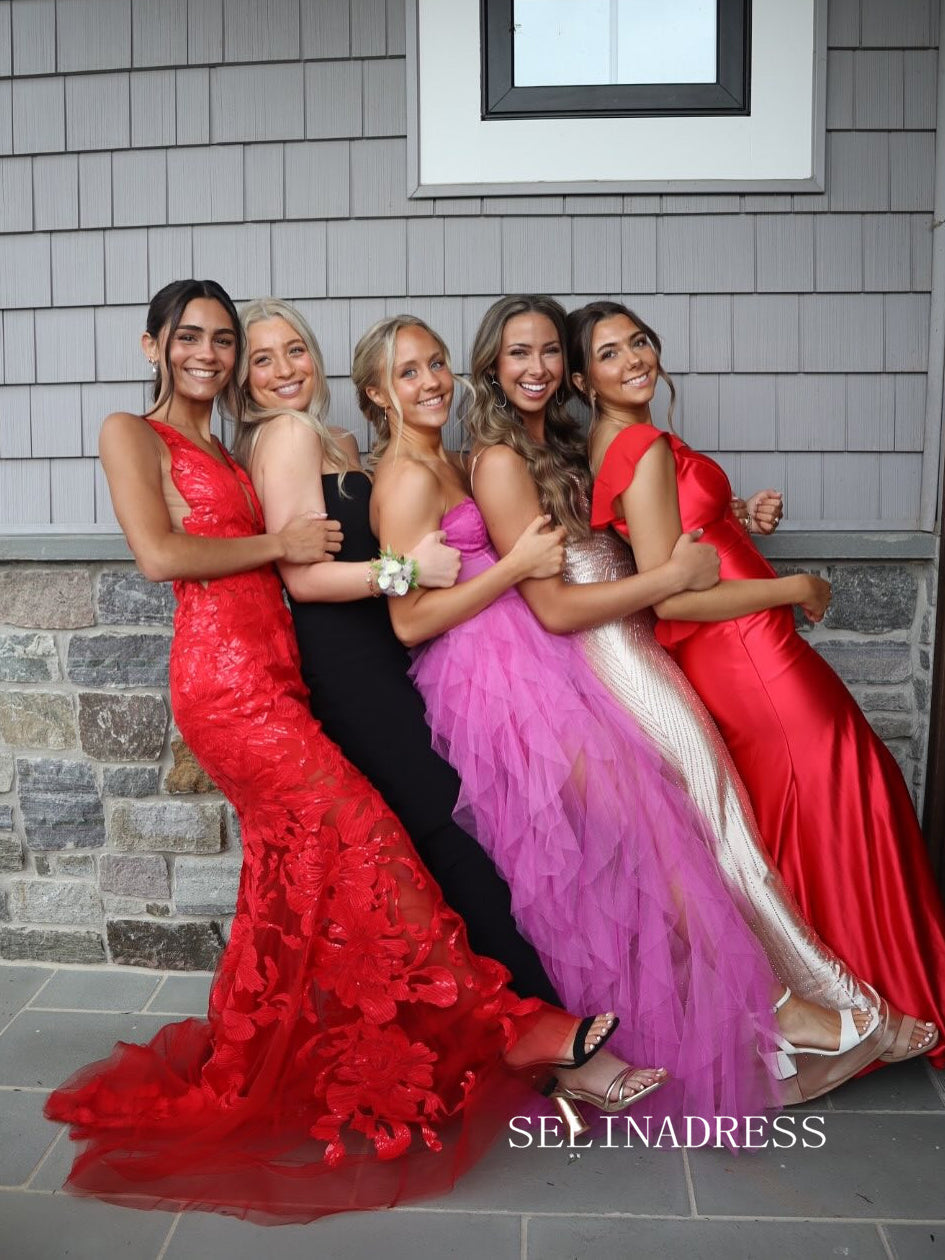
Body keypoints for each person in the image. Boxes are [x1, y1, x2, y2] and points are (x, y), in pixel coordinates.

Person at [43, 280, 655, 1227]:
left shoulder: (252, 442)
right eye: (220, 346)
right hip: (234, 685)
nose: (229, 358)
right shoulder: (147, 431)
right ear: (153, 344)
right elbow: (164, 557)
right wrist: (324, 552)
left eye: (258, 346)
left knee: (301, 879)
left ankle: (284, 1050)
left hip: (290, 673)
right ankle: (520, 1027)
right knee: (376, 838)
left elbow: (304, 556)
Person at [354, 313, 889, 1133]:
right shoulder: (413, 475)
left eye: (433, 365)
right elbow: (407, 623)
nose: (428, 383)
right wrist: (512, 569)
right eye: (407, 372)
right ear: (375, 392)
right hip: (495, 685)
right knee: (632, 849)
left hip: (539, 662)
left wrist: (729, 511)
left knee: (639, 847)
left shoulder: (453, 458)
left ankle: (751, 1018)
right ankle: (771, 1010)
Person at [465, 293, 935, 1083]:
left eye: (547, 350)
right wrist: (674, 578)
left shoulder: (562, 442)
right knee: (721, 832)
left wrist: (726, 518)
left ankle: (810, 1018)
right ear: (492, 367)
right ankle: (843, 1014)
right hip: (616, 658)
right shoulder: (504, 460)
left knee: (721, 830)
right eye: (519, 353)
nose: (536, 367)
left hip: (640, 648)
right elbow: (554, 608)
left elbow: (631, 526)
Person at [233, 296, 566, 1011]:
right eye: (263, 359)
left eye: (295, 349)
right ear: (244, 378)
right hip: (349, 664)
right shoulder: (288, 434)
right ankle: (537, 1016)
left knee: (443, 826)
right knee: (444, 825)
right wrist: (407, 572)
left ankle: (499, 1009)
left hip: (379, 654)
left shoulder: (332, 440)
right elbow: (305, 580)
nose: (285, 369)